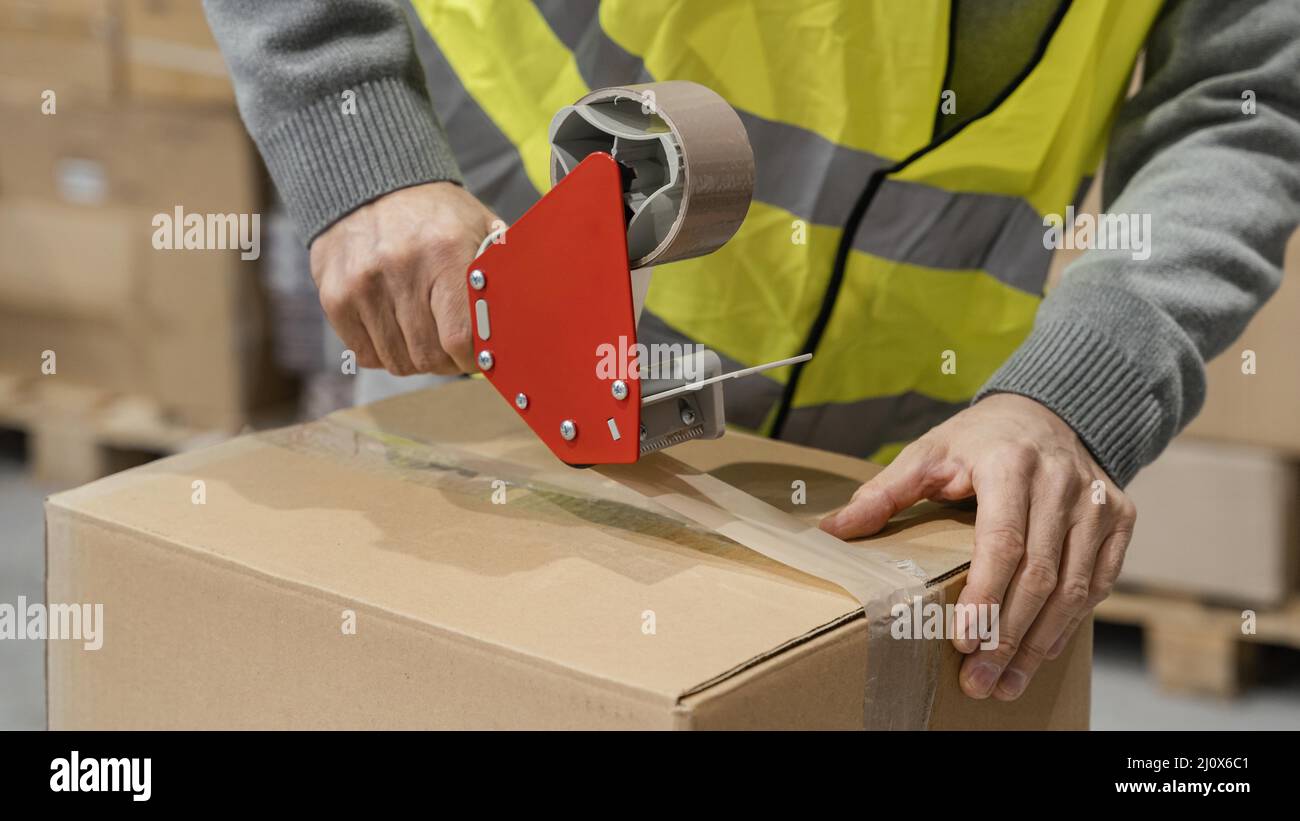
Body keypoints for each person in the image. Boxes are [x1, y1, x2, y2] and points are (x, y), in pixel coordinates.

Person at [202, 0, 1300, 703]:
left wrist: (1073, 392)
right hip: (480, 337)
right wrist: (356, 135)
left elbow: (1243, 104)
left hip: (880, 467)